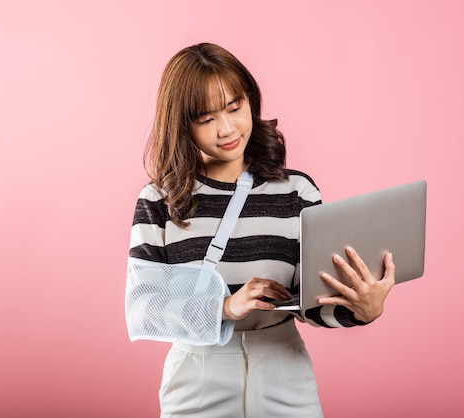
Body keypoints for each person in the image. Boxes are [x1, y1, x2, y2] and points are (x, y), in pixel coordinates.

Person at [126, 42, 395, 418]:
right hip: (196, 378)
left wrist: (360, 310)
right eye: (206, 119)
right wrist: (224, 307)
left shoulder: (296, 191)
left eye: (235, 108)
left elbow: (311, 299)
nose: (227, 129)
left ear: (250, 100)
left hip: (284, 370)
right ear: (182, 124)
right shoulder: (159, 200)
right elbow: (144, 307)